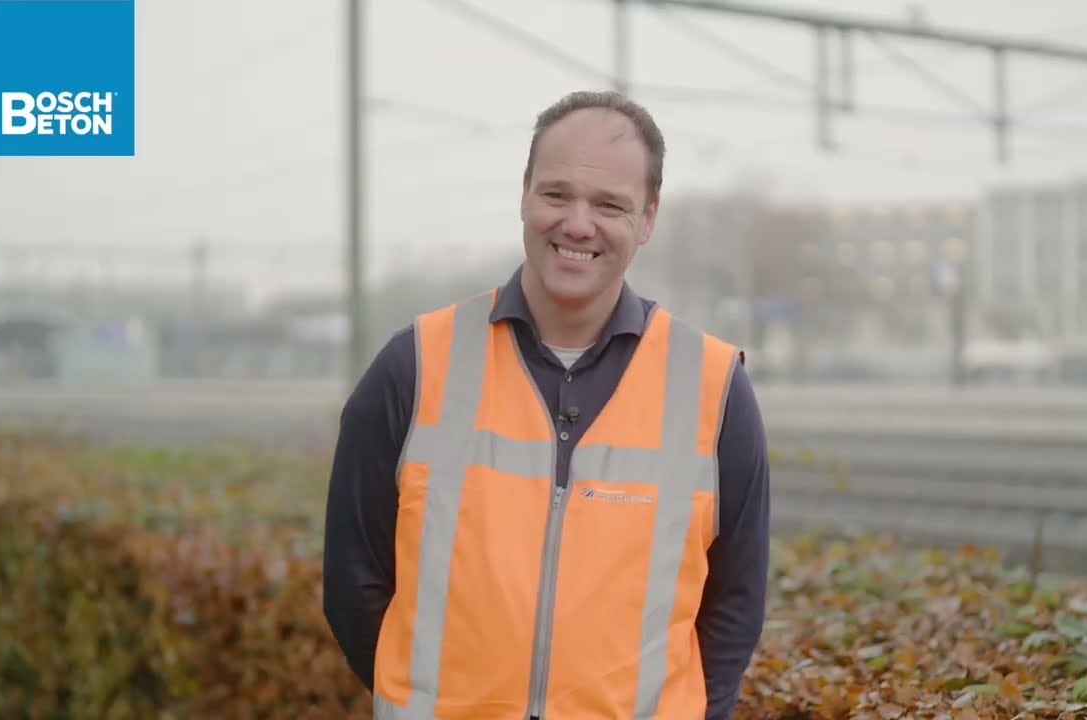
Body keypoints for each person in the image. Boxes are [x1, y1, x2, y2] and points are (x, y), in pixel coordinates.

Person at [322, 90, 771, 720]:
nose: (578, 224)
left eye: (609, 204)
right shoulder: (413, 367)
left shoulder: (716, 388)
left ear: (647, 219)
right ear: (525, 193)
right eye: (557, 195)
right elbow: (354, 583)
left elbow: (735, 603)